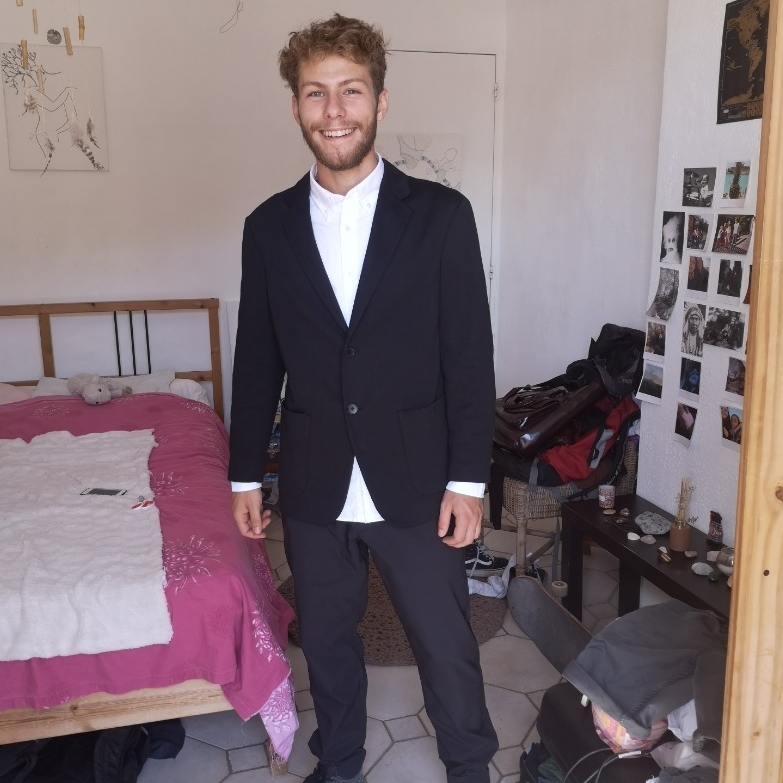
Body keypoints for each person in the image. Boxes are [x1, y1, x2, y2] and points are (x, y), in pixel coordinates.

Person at [227, 14, 498, 783]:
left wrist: (468, 481)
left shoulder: (442, 216)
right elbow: (257, 360)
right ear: (295, 105)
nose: (333, 110)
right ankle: (339, 760)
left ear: (380, 101)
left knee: (444, 641)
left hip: (418, 476)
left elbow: (468, 359)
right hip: (315, 477)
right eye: (315, 93)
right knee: (326, 639)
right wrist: (244, 475)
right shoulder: (267, 227)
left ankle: (469, 767)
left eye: (350, 90)